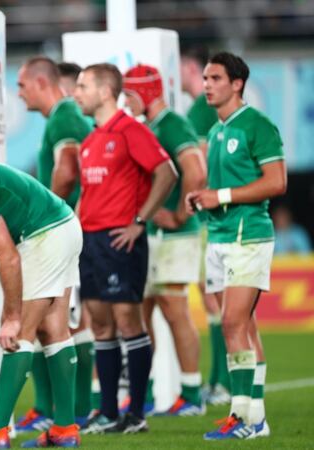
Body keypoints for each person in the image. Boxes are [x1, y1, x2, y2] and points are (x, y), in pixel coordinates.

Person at [0, 156, 82, 448]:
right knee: (54, 330)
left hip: (43, 234)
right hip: (63, 225)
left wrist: (12, 317)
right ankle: (65, 428)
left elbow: (8, 257)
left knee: (18, 334)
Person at [72, 63, 177, 435]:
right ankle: (108, 412)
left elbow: (167, 172)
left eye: (82, 86)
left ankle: (136, 413)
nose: (76, 93)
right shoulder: (89, 142)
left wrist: (140, 221)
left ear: (104, 91)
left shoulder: (131, 130)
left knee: (128, 322)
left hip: (121, 239)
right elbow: (88, 194)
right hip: (92, 241)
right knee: (100, 324)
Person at [187, 51, 286, 440]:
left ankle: (249, 419)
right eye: (206, 79)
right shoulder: (216, 130)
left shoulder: (257, 125)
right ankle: (248, 416)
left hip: (248, 234)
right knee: (244, 325)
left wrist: (221, 195)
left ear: (236, 83)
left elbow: (277, 182)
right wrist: (202, 197)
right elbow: (217, 193)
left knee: (231, 323)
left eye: (214, 78)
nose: (206, 85)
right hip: (220, 236)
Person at [15, 56, 96, 432]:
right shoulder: (61, 118)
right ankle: (61, 409)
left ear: (42, 83)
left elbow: (68, 167)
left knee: (64, 320)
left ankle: (76, 410)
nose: (19, 94)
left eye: (22, 86)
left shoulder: (63, 116)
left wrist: (46, 211)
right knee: (62, 319)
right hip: (73, 227)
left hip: (61, 229)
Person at [123, 64, 208, 416]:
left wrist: (180, 214)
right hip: (153, 234)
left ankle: (191, 395)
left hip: (175, 235)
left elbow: (196, 168)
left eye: (129, 95)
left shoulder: (173, 124)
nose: (126, 103)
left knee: (174, 309)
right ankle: (145, 391)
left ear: (144, 93)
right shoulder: (151, 127)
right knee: (143, 313)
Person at [181, 46, 231, 404]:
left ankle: (222, 382)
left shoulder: (200, 109)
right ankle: (220, 380)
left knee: (215, 299)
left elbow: (200, 160)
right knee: (216, 297)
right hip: (219, 213)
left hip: (207, 216)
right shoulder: (207, 109)